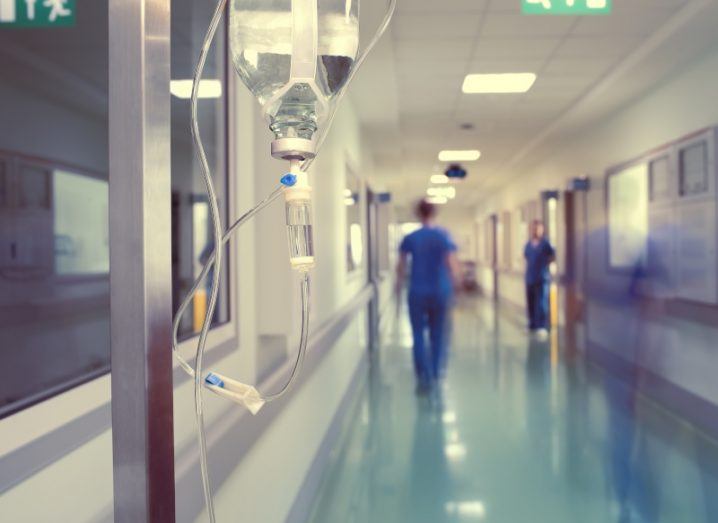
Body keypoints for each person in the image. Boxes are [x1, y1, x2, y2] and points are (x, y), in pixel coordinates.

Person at [396, 199, 461, 392]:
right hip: (440, 291)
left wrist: (398, 286)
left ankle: (423, 376)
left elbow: (400, 266)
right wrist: (458, 285)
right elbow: (451, 264)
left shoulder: (411, 238)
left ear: (418, 214)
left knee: (418, 334)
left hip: (417, 291)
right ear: (434, 214)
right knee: (438, 334)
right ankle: (435, 374)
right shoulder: (443, 236)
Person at [524, 220, 555, 335]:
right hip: (530, 277)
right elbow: (527, 256)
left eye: (538, 228)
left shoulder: (546, 244)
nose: (536, 230)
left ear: (542, 229)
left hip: (542, 278)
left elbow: (552, 256)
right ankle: (532, 324)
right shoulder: (528, 244)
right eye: (534, 228)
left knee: (541, 303)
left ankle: (541, 325)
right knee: (531, 302)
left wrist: (545, 265)